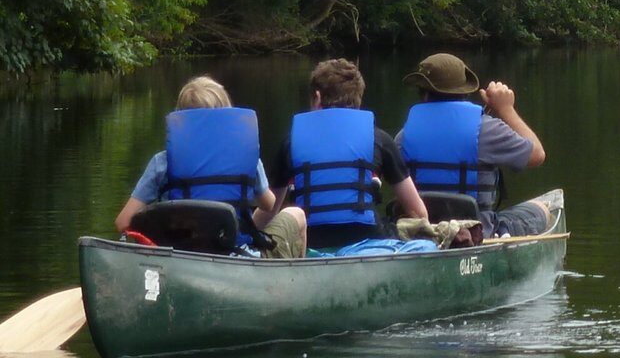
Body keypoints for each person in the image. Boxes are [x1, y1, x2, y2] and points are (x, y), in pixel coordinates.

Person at [115, 76, 306, 258]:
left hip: (180, 259)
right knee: (296, 214)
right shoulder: (248, 159)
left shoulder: (163, 162)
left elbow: (123, 223)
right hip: (237, 257)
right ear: (227, 116)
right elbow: (269, 204)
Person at [268, 58, 427, 252]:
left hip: (311, 242)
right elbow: (416, 211)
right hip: (368, 240)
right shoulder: (379, 138)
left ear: (317, 98)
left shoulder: (291, 142)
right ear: (358, 99)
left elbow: (270, 210)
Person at [396, 53, 554, 237]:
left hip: (421, 233)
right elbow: (537, 155)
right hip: (475, 234)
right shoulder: (487, 128)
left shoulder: (403, 136)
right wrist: (506, 109)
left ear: (422, 93)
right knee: (542, 208)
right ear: (464, 91)